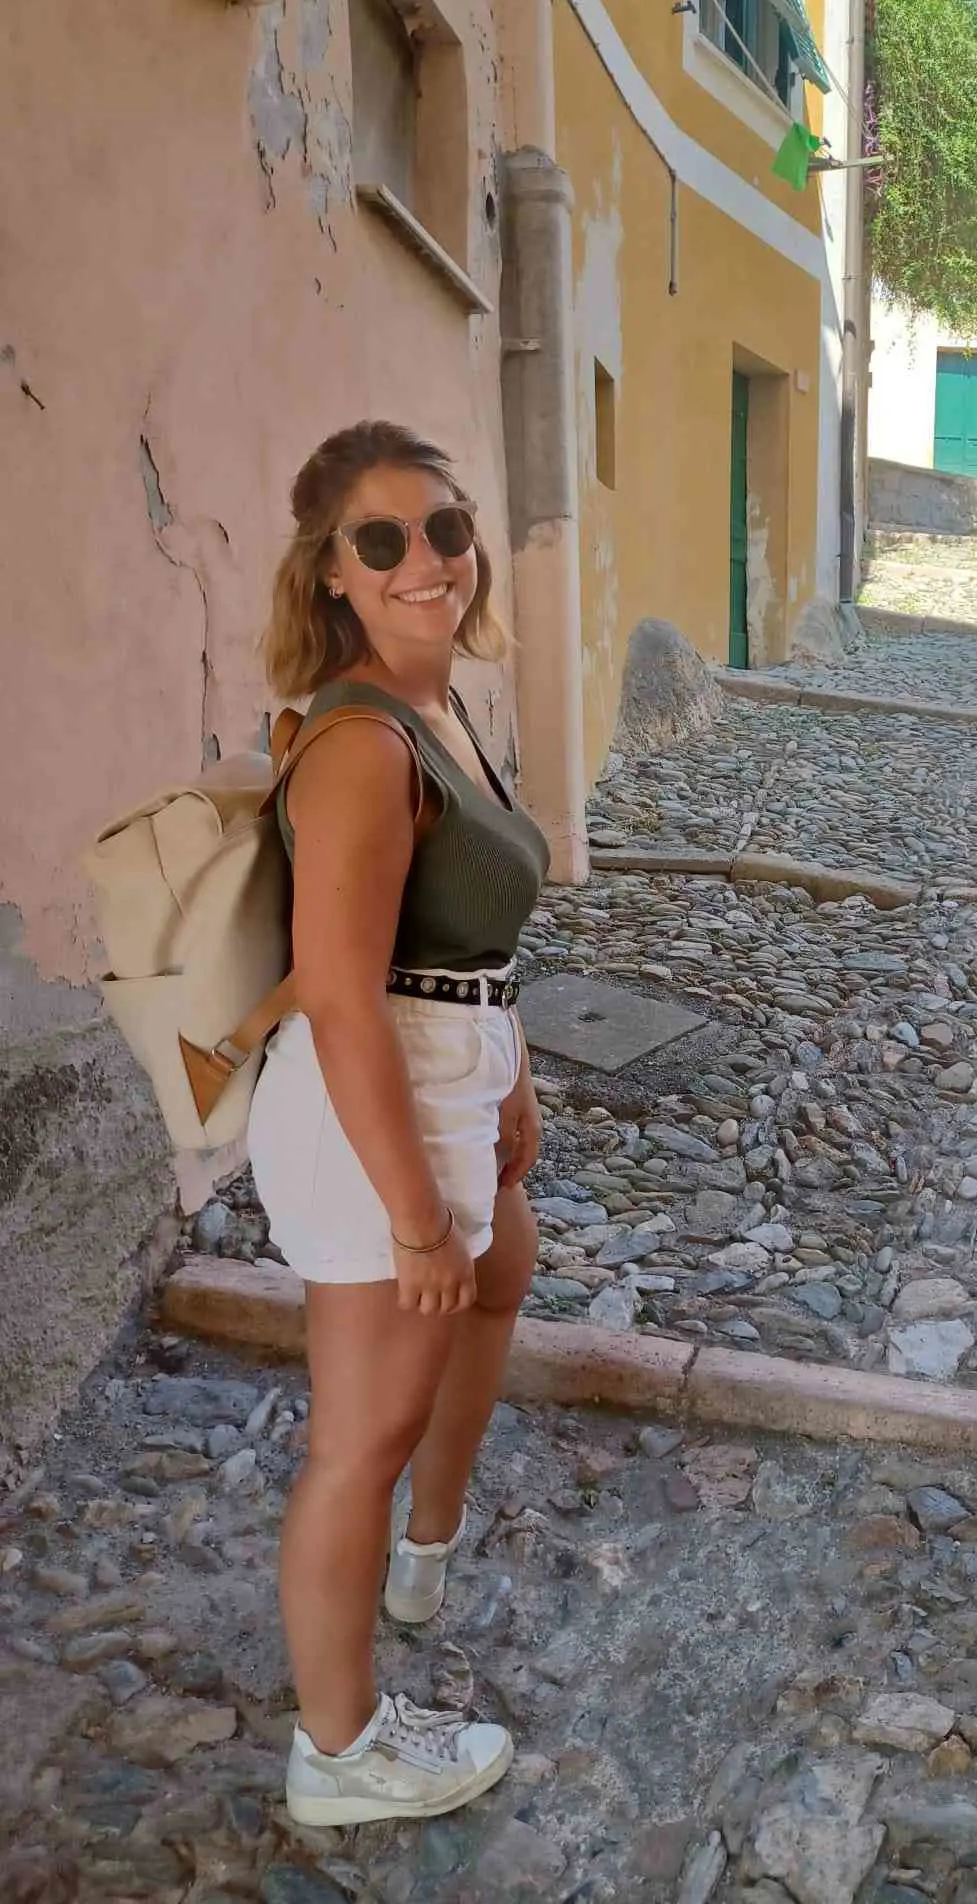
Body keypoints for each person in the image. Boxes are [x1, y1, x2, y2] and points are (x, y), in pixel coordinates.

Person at [247, 421, 550, 1826]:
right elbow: (339, 996)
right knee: (357, 1441)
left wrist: (511, 1066)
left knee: (502, 1275)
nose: (425, 558)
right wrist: (416, 1217)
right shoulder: (362, 745)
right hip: (371, 1095)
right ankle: (339, 1749)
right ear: (334, 572)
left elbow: (463, 931)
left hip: (449, 1059)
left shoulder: (442, 707)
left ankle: (425, 1547)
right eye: (382, 540)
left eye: (444, 527)